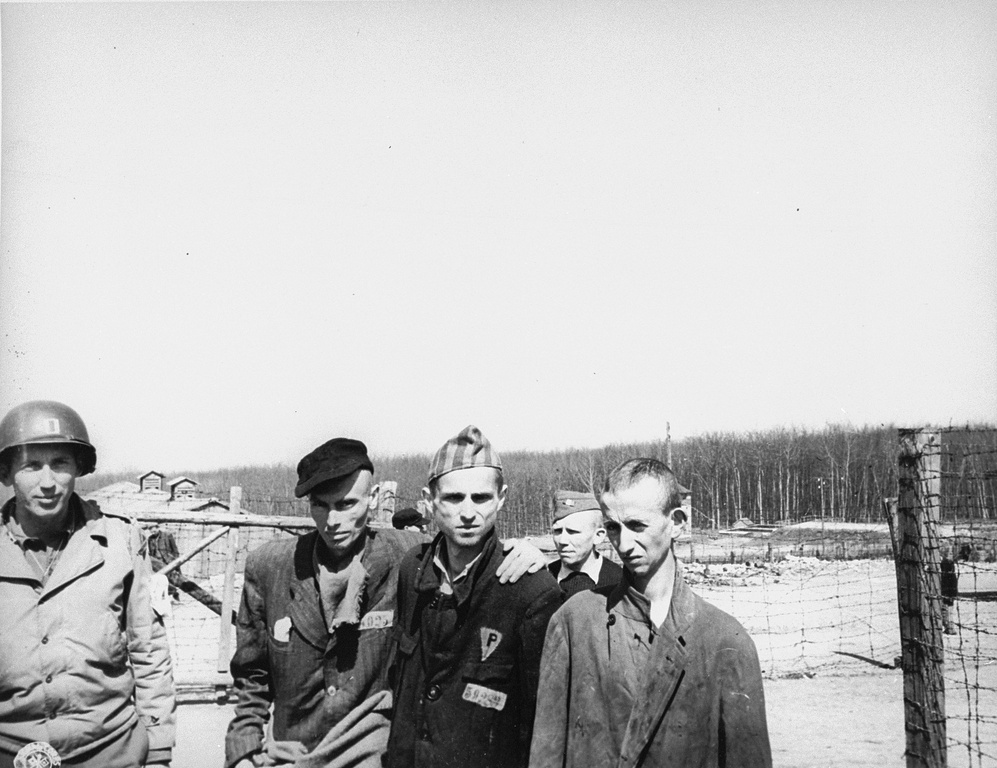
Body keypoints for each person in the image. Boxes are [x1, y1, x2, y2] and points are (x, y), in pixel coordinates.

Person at [225, 437, 546, 768]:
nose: (332, 521)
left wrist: (525, 551)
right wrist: (245, 750)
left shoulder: (406, 558)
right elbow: (252, 673)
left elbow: (466, 542)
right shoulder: (270, 567)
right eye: (320, 505)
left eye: (347, 504)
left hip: (372, 756)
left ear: (374, 498)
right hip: (290, 755)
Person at [530, 458, 771, 768]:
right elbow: (546, 754)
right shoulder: (574, 621)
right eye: (614, 528)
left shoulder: (725, 640)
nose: (624, 544)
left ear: (677, 523)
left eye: (637, 526)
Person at [0, 400, 176, 768]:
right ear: (6, 473)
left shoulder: (119, 541)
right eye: (32, 465)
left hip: (110, 750)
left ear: (78, 469)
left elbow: (150, 651)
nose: (48, 482)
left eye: (60, 464)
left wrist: (158, 749)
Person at [387, 426, 563, 768]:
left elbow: (542, 722)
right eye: (453, 498)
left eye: (481, 498)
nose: (468, 512)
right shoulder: (413, 570)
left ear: (502, 498)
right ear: (429, 501)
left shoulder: (530, 590)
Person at [548, 490, 622, 599]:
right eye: (557, 531)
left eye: (572, 531)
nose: (562, 541)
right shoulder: (545, 578)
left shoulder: (620, 580)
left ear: (598, 536)